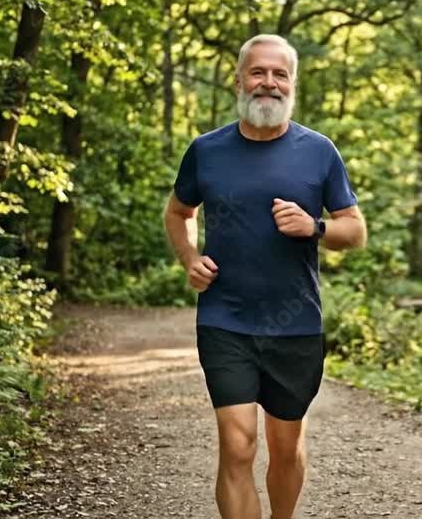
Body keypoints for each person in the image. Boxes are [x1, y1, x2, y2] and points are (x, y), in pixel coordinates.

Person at [163, 34, 366, 519]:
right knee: (237, 446)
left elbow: (355, 231)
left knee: (285, 447)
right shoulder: (206, 151)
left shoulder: (319, 151)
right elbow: (178, 212)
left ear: (292, 84)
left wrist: (314, 226)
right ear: (239, 79)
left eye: (280, 75)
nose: (268, 83)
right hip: (224, 318)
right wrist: (189, 257)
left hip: (295, 324)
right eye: (258, 72)